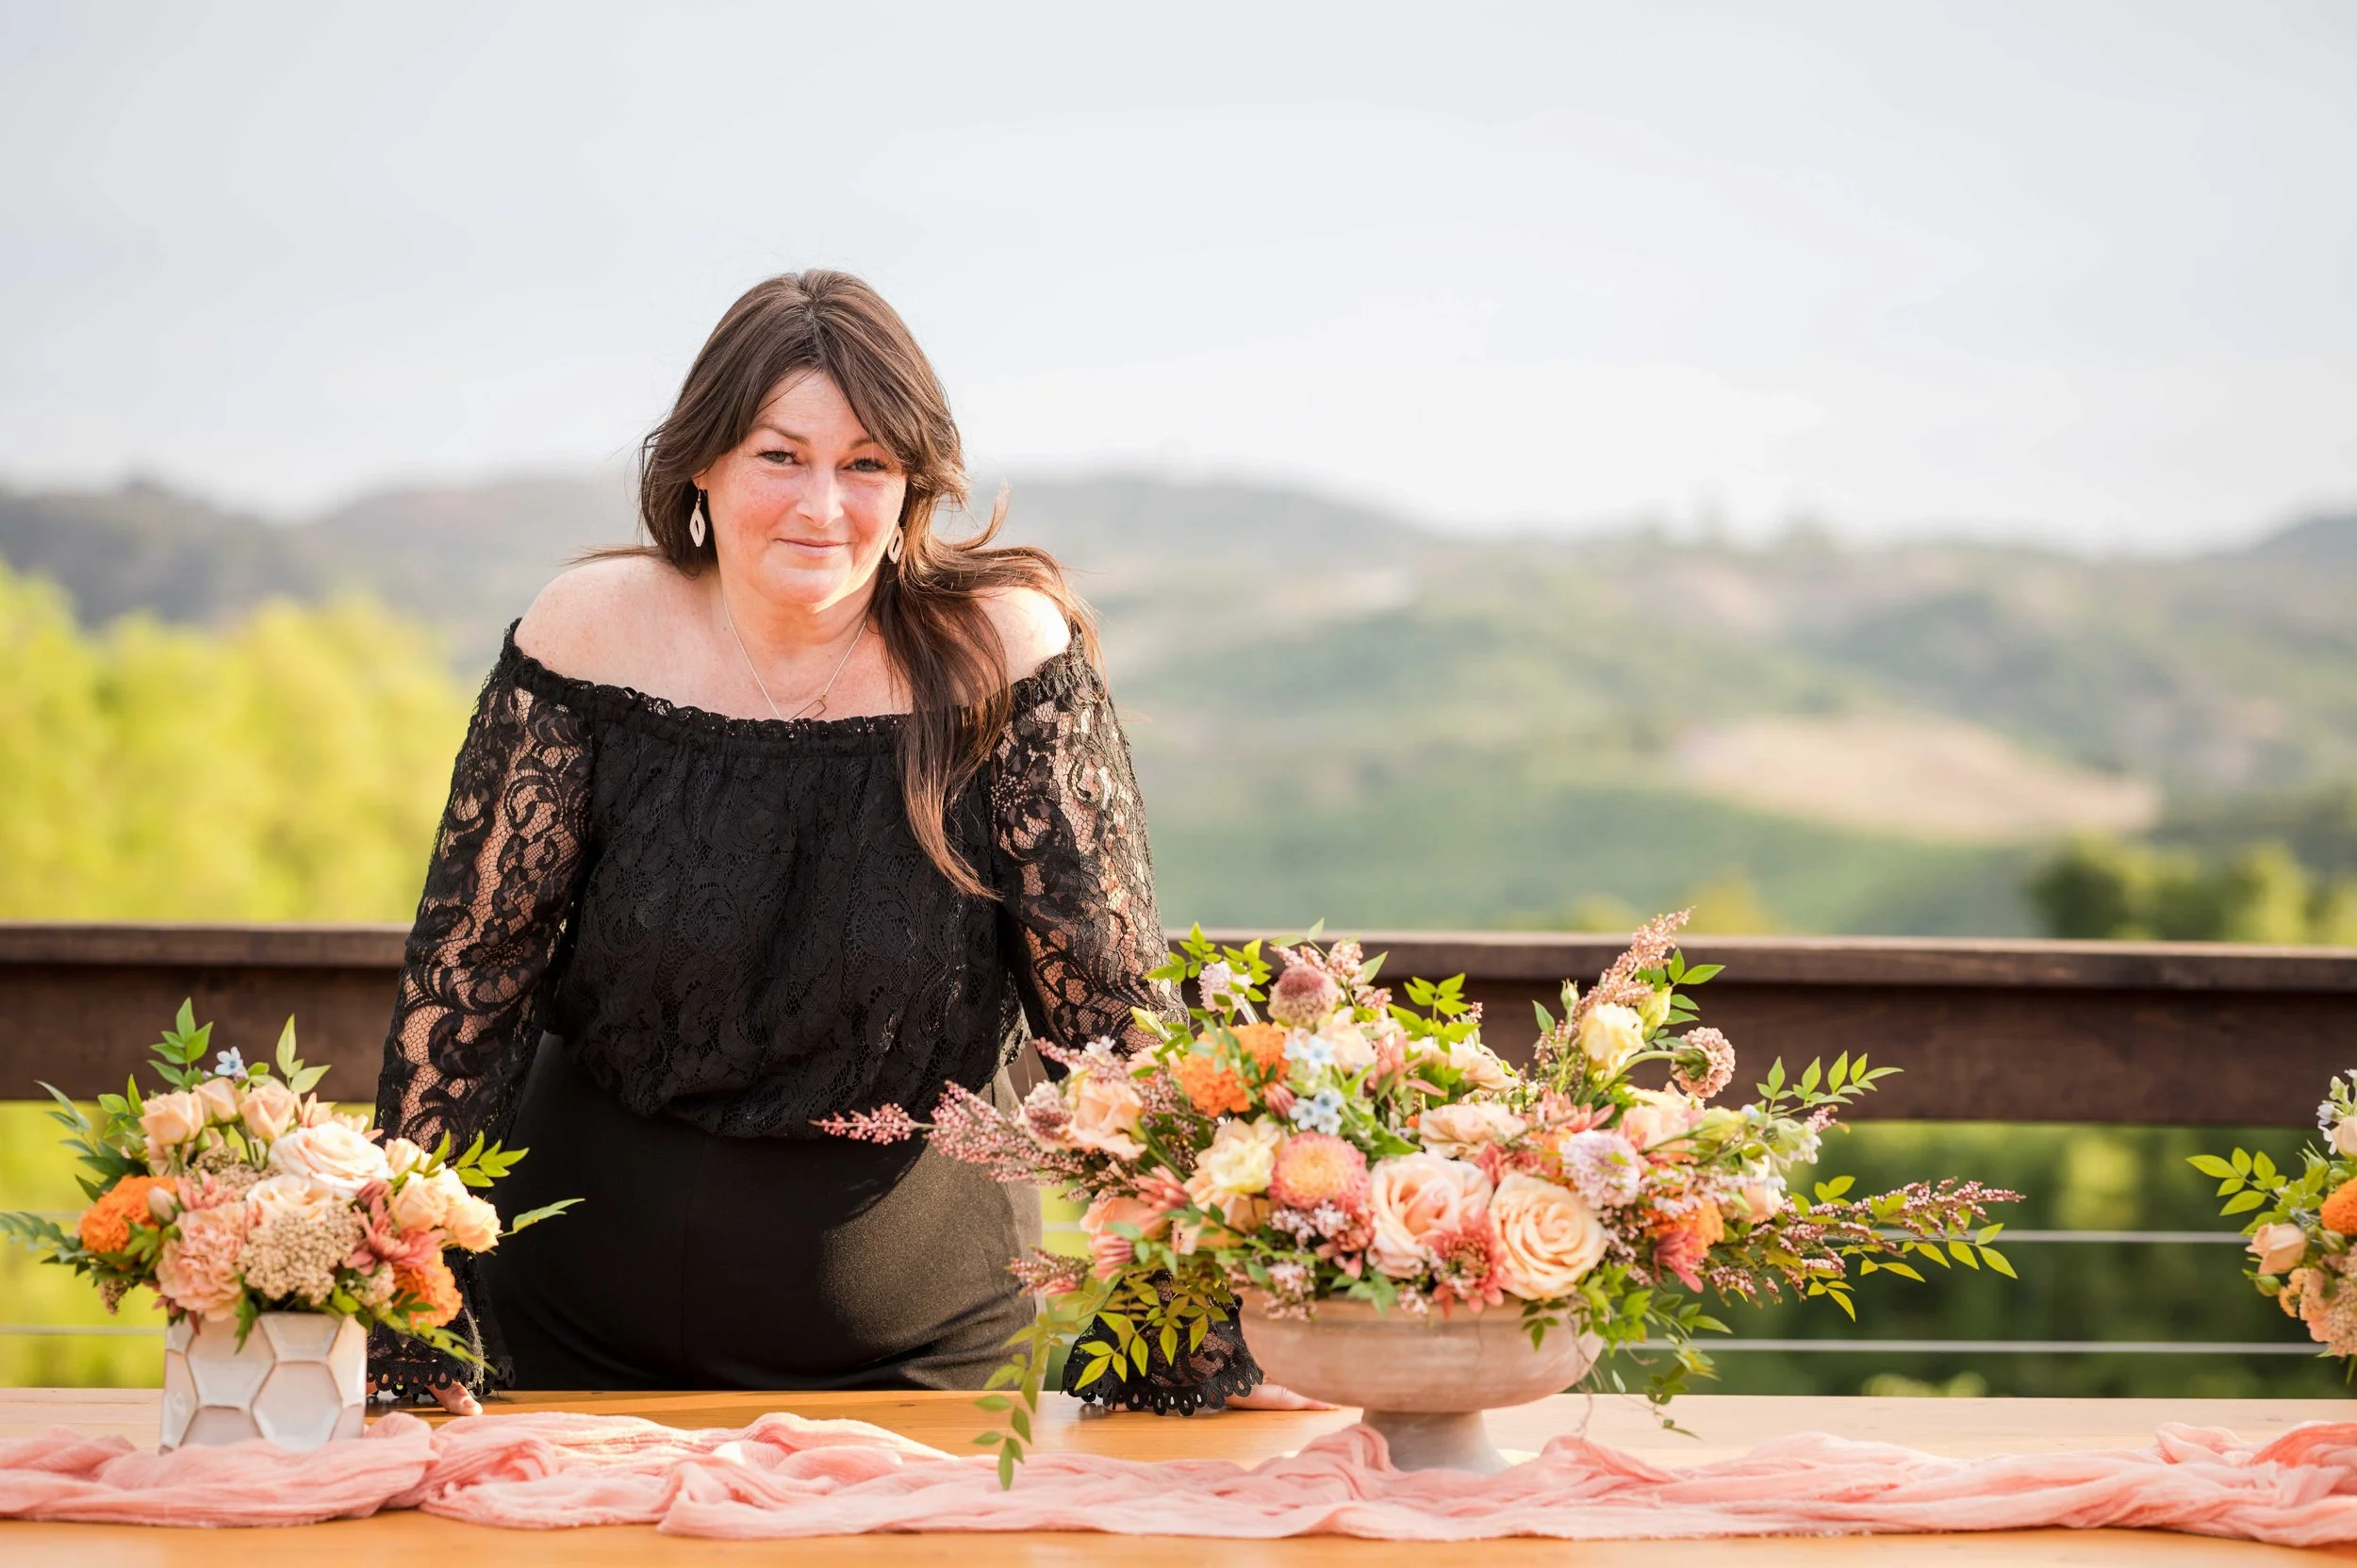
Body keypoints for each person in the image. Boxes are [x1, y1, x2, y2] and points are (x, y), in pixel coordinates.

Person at [368, 270, 1288, 1414]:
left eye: (866, 464)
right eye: (779, 455)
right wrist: (404, 1303)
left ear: (911, 486)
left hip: (920, 1352)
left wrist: (1191, 1313)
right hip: (571, 1322)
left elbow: (1105, 1025)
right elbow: (469, 987)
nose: (823, 504)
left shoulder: (1002, 653)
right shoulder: (586, 632)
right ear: (700, 463)